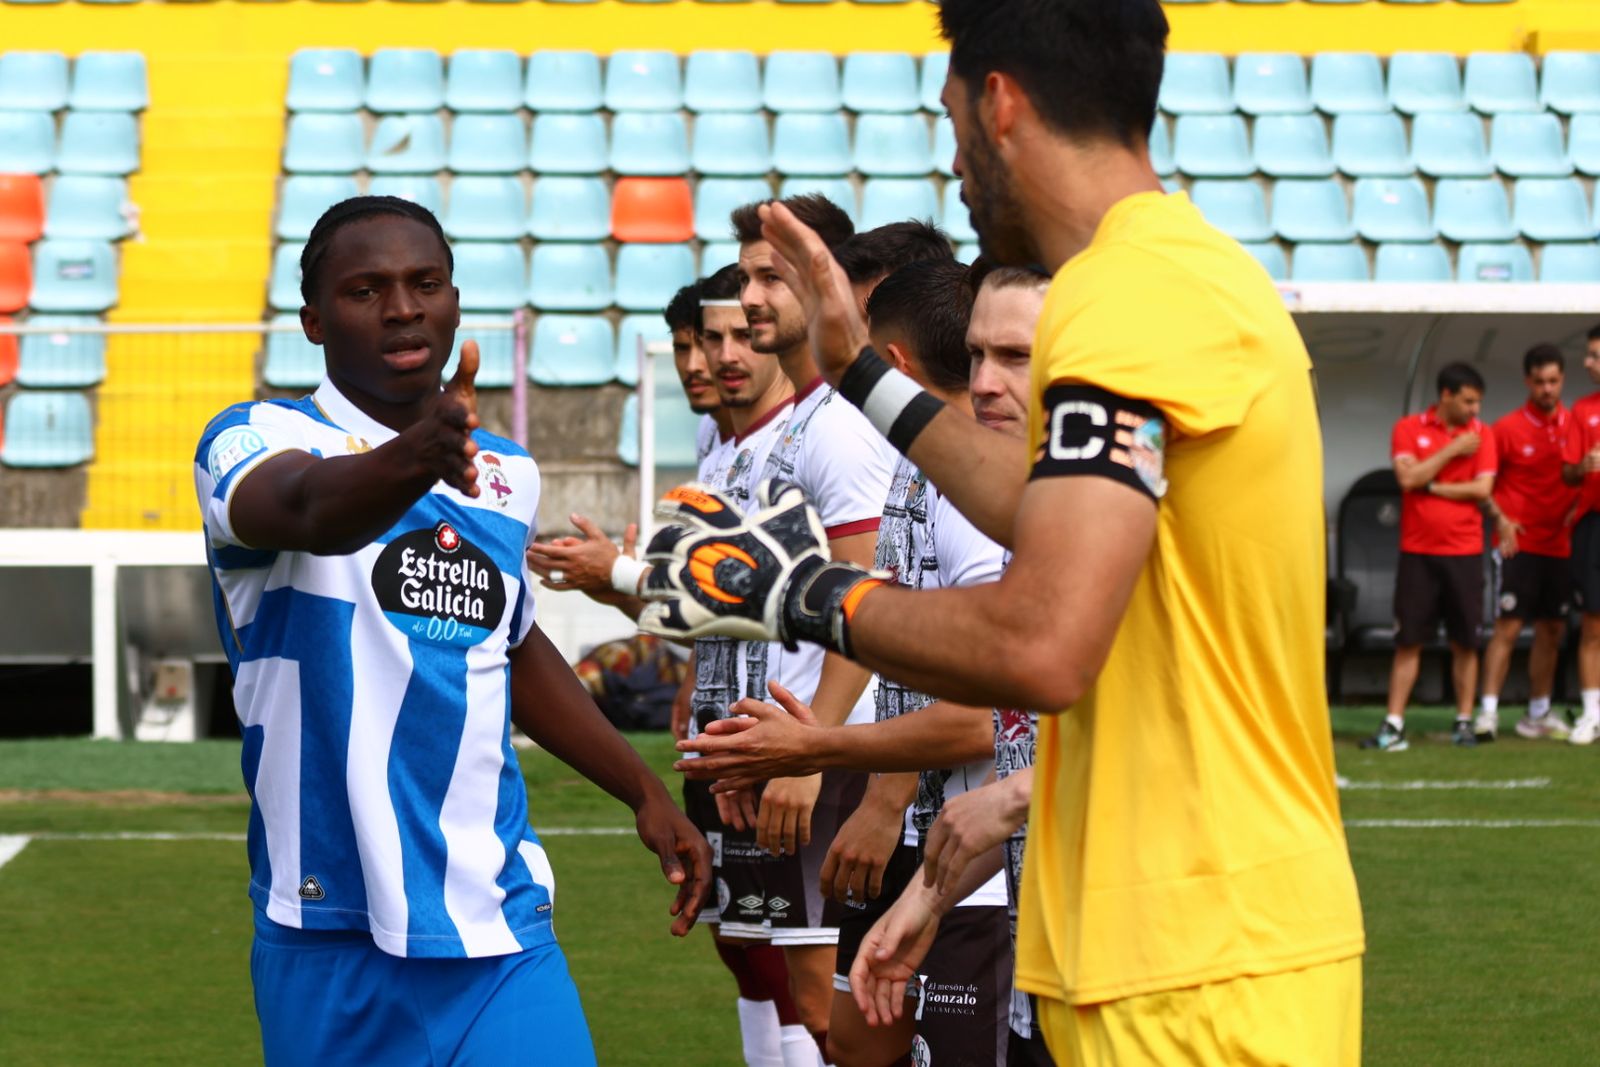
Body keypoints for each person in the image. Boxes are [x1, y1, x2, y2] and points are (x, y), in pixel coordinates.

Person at [636, 2, 1366, 1063]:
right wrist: (855, 369)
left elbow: (1040, 642)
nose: (958, 163)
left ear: (999, 102)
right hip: (1183, 947)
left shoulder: (1128, 294)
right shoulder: (1173, 277)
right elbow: (1037, 504)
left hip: (1196, 960)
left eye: (951, 120)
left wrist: (793, 594)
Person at [192, 197, 710, 1065]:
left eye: (424, 283)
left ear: (455, 302)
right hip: (326, 925)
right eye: (366, 290)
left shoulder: (503, 474)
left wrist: (643, 789)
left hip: (496, 919)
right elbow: (309, 509)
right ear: (314, 320)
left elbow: (509, 644)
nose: (402, 308)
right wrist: (420, 455)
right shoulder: (254, 440)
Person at [682, 258, 1050, 1067]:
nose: (988, 380)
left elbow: (990, 709)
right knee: (845, 1035)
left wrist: (823, 753)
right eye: (981, 355)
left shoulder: (1002, 501)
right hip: (949, 853)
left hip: (979, 864)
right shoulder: (918, 476)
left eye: (1015, 357)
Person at [534, 269, 804, 1067]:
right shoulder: (719, 451)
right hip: (726, 736)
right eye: (690, 343)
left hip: (781, 734)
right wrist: (686, 662)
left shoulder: (805, 439)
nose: (701, 359)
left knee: (806, 970)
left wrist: (620, 573)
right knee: (748, 950)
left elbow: (796, 597)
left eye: (722, 336)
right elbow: (715, 609)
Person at [721, 194, 898, 1063]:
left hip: (832, 747)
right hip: (795, 741)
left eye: (772, 275)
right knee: (800, 993)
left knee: (842, 1009)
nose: (750, 297)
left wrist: (815, 742)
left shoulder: (843, 425)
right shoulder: (796, 422)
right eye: (747, 276)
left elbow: (868, 588)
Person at [1365, 363, 1497, 752]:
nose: (1475, 410)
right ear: (1446, 395)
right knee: (1408, 640)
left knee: (1466, 642)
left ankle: (1463, 721)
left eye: (1478, 403)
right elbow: (1407, 480)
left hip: (1465, 551)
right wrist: (1452, 450)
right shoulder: (1408, 428)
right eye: (1468, 401)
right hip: (1418, 552)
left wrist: (1433, 484)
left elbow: (1482, 488)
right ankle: (1394, 725)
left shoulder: (1483, 434)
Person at [1476, 344, 1575, 742]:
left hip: (1563, 544)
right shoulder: (1506, 428)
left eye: (1553, 381)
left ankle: (1537, 712)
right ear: (1527, 382)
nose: (1547, 389)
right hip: (1519, 545)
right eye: (1540, 382)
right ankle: (1487, 713)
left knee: (1552, 629)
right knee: (1509, 627)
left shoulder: (1576, 425)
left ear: (1562, 380)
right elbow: (1485, 485)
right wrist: (1501, 521)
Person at [1561, 324, 1600, 745]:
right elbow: (1567, 473)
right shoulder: (1583, 410)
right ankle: (1592, 713)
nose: (1588, 363)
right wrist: (1584, 465)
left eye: (1595, 355)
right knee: (1592, 624)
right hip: (1593, 524)